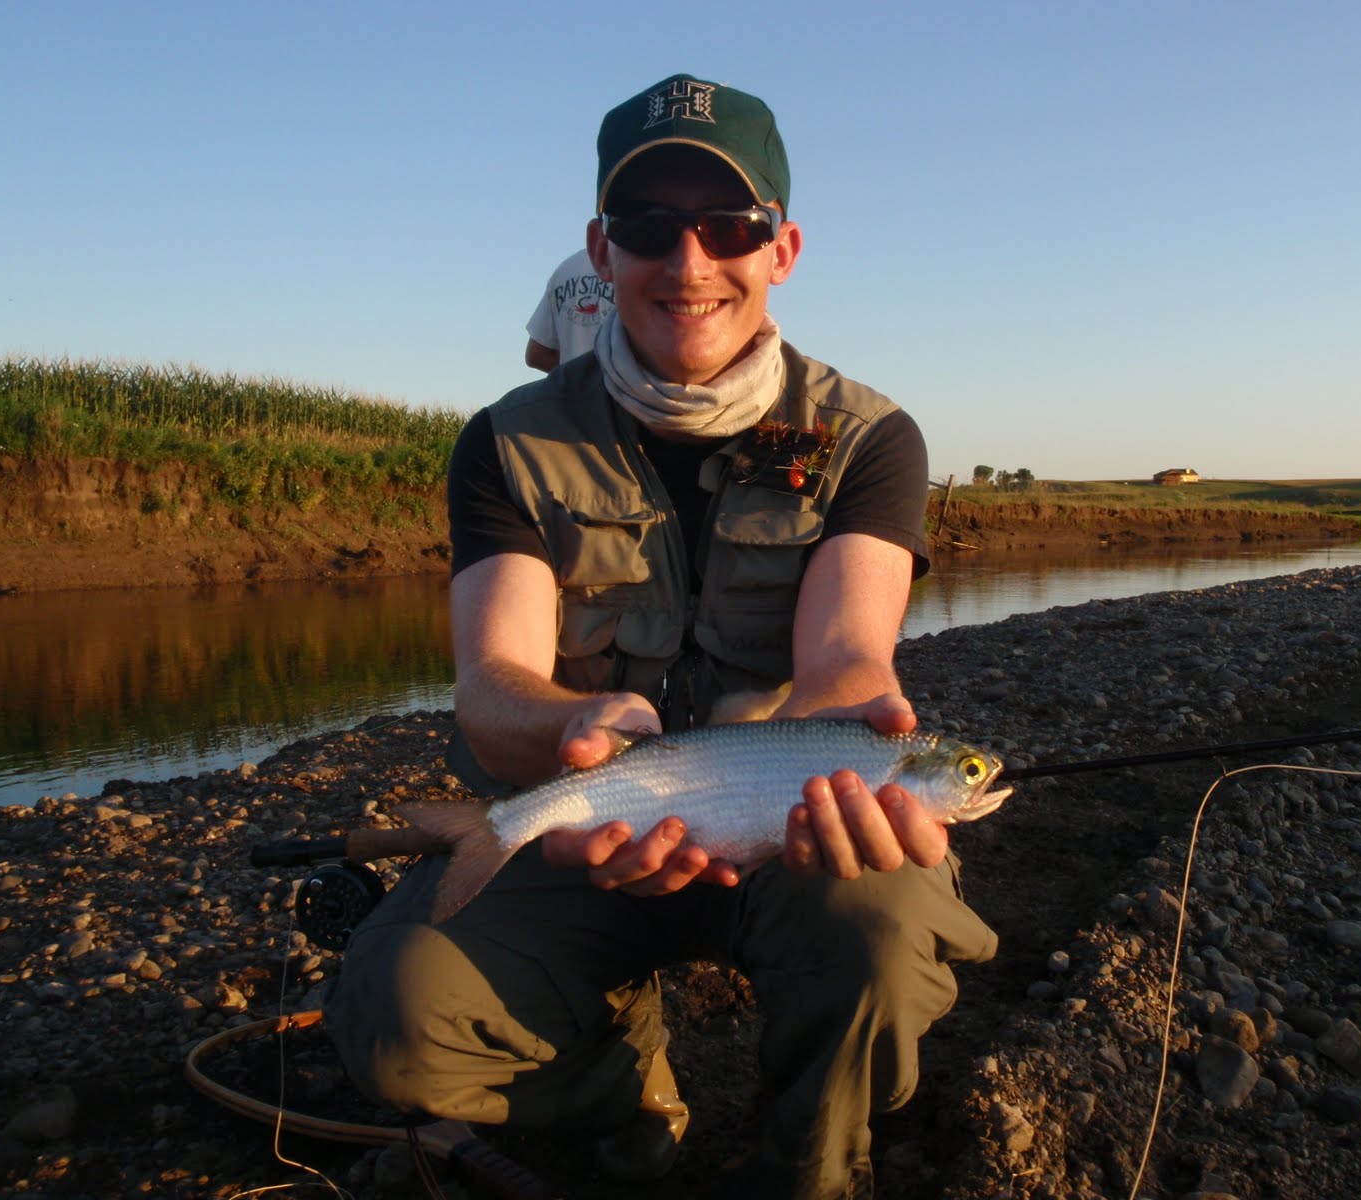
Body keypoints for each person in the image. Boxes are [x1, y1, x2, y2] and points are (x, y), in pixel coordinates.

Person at [326, 72, 998, 1200]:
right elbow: (492, 683)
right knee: (396, 1021)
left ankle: (811, 1169)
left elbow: (844, 661)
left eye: (729, 225)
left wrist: (865, 722)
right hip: (586, 825)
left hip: (793, 829)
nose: (688, 262)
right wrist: (574, 729)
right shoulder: (506, 442)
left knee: (883, 934)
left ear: (781, 250)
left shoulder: (869, 439)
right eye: (649, 226)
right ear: (601, 248)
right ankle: (626, 1093)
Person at [524, 247, 615, 371]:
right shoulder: (635, 267)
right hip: (626, 387)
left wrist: (575, 378)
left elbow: (536, 354)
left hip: (574, 388)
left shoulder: (565, 269)